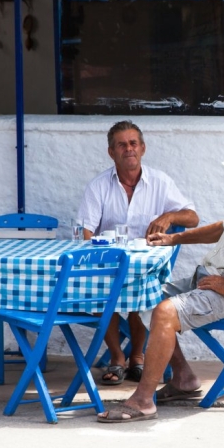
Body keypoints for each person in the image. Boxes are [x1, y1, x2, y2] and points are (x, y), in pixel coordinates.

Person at [97, 147, 224, 422]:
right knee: (147, 295)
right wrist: (174, 239)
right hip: (213, 280)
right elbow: (221, 228)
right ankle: (184, 379)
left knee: (165, 312)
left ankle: (143, 401)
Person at [77, 120, 199, 385]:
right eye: (121, 145)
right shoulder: (98, 186)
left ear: (142, 148)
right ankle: (117, 357)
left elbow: (193, 218)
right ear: (111, 152)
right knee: (99, 287)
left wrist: (169, 215)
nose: (128, 149)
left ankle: (138, 357)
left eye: (133, 143)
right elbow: (85, 231)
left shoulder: (160, 182)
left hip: (145, 266)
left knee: (143, 286)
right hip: (108, 265)